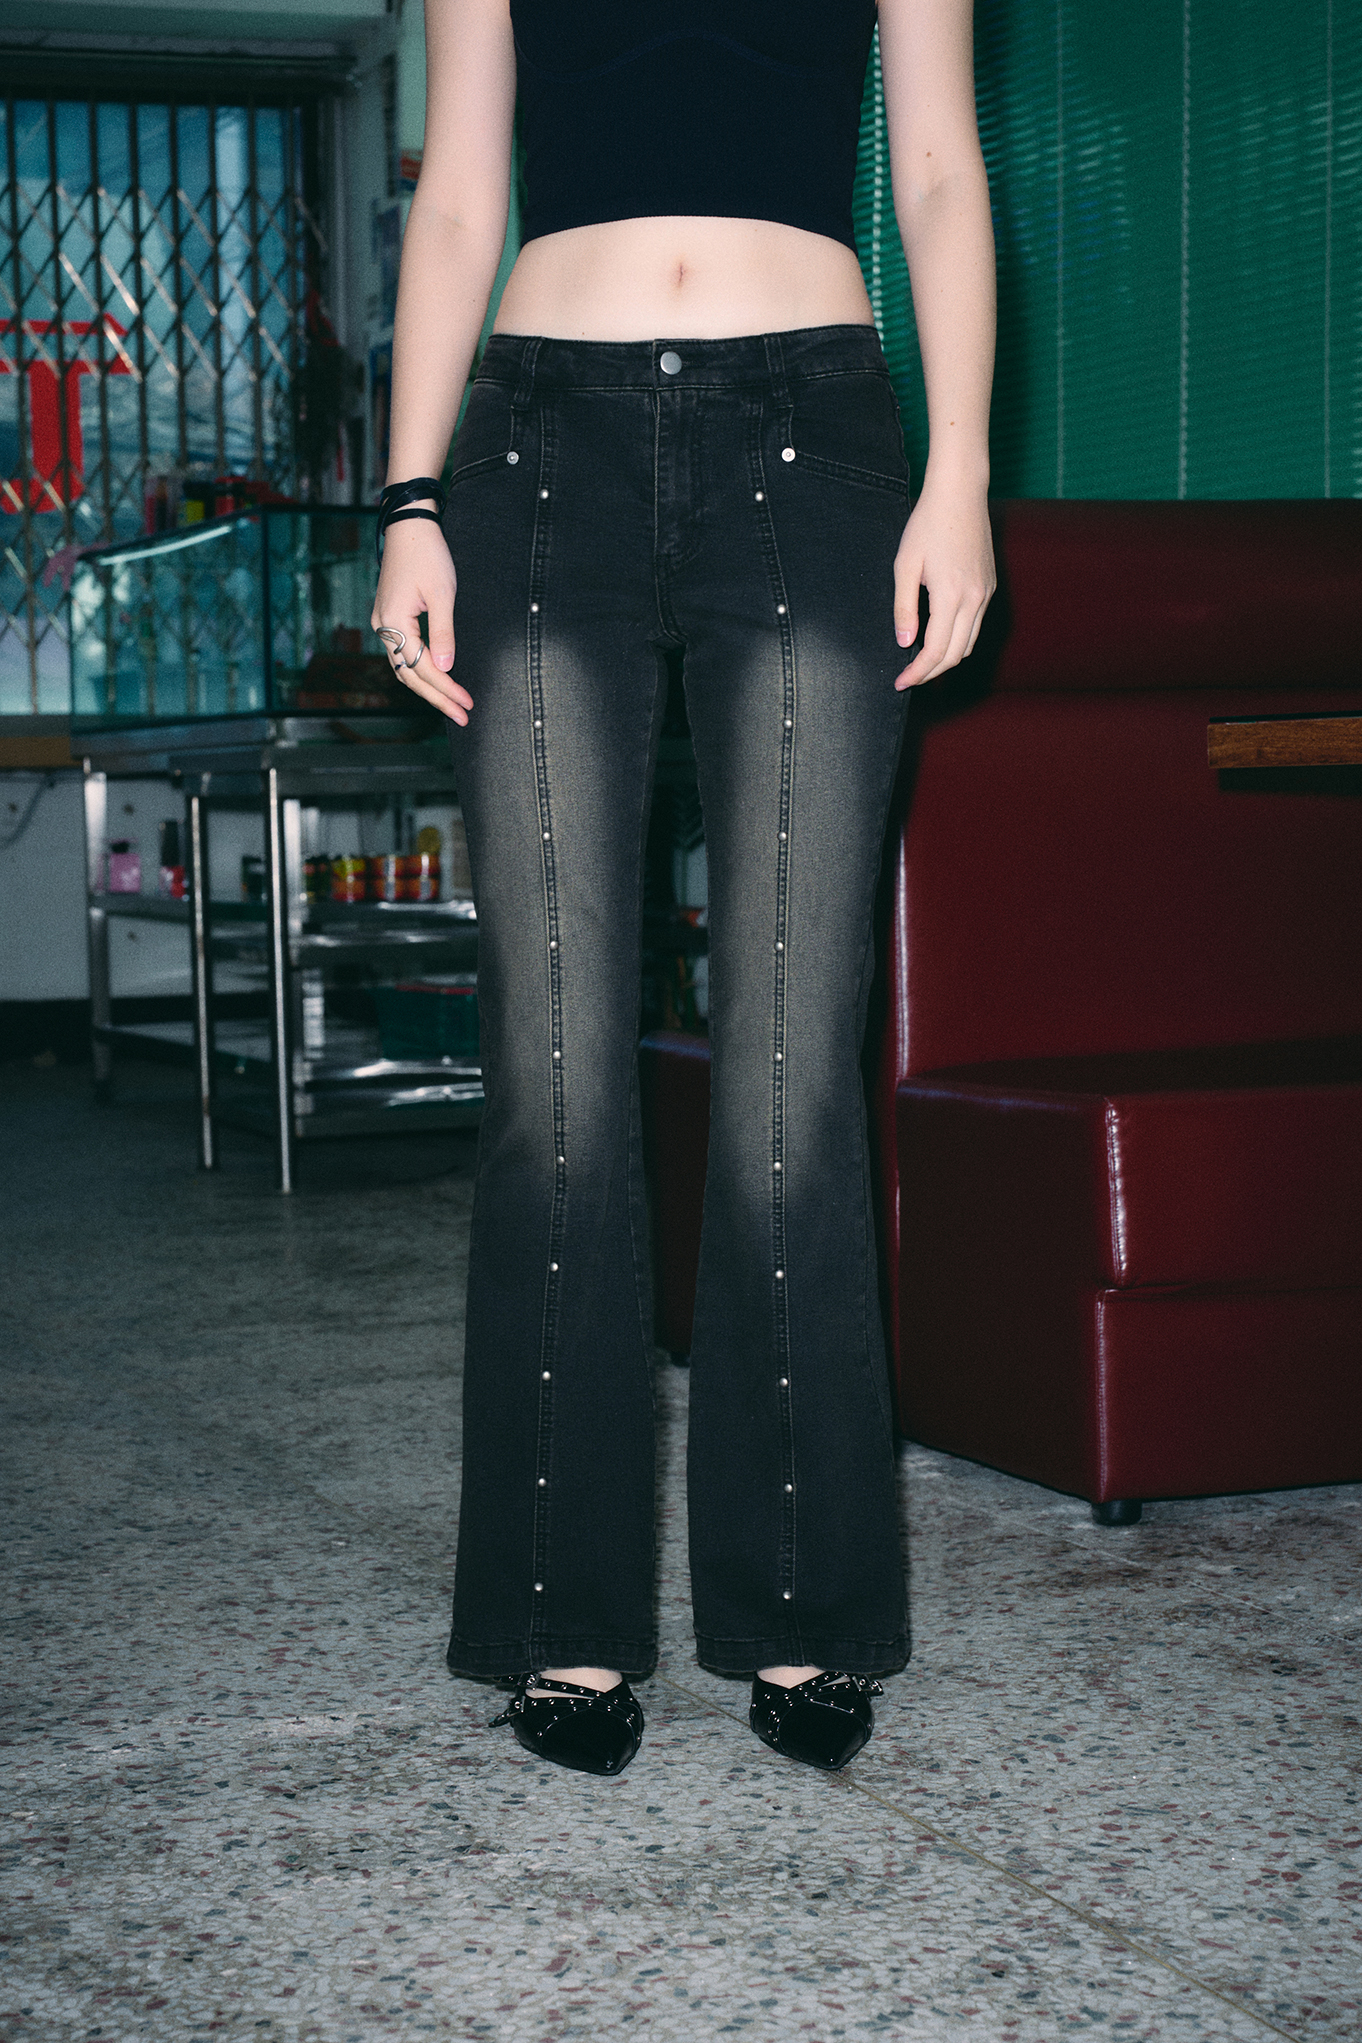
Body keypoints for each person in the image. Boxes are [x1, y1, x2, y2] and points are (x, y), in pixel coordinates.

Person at [371, 0, 996, 1778]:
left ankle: (802, 1605)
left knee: (787, 1078)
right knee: (552, 1080)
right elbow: (456, 192)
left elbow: (938, 171)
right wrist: (406, 501)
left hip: (810, 440)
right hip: (534, 453)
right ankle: (557, 1618)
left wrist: (958, 473)